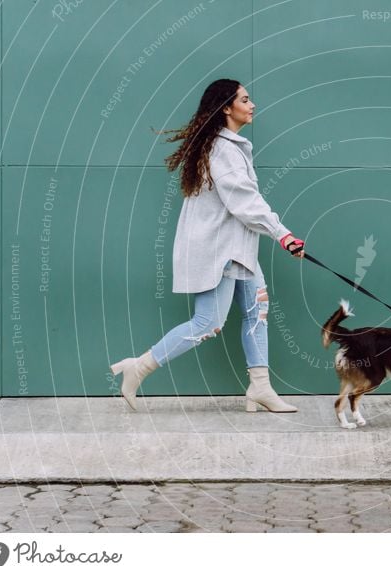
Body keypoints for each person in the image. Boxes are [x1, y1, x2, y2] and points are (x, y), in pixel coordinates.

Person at [110, 79, 305, 413]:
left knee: (256, 314)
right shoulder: (224, 150)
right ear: (227, 108)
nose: (253, 104)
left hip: (240, 250)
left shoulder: (226, 145)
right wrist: (282, 234)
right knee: (207, 323)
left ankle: (260, 388)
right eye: (246, 99)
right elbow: (245, 201)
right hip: (223, 252)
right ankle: (138, 367)